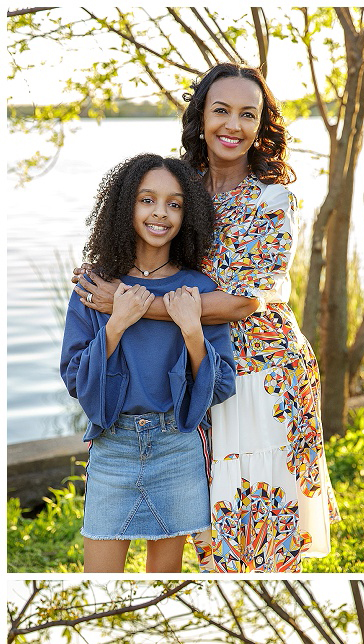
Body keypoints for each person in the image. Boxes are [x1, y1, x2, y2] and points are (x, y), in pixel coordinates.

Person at [76, 62, 341, 572]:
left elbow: (243, 302)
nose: (233, 125)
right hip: (191, 364)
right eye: (221, 110)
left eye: (249, 114)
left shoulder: (271, 198)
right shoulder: (180, 184)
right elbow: (143, 242)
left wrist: (129, 305)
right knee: (205, 518)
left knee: (255, 528)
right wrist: (103, 271)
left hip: (260, 369)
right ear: (200, 116)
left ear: (262, 126)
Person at [61, 154, 236, 573]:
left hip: (176, 444)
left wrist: (193, 332)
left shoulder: (198, 287)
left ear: (187, 214)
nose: (160, 213)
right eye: (147, 200)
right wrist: (116, 324)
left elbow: (222, 384)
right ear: (127, 206)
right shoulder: (97, 285)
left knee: (164, 581)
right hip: (113, 447)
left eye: (174, 204)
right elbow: (74, 376)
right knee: (97, 581)